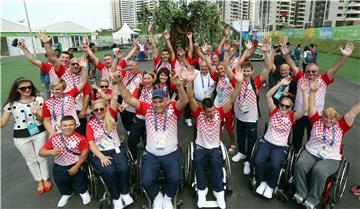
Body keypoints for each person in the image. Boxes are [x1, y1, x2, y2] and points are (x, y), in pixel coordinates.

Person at [115, 68, 191, 209]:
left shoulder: (173, 109)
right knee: (146, 181)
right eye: (154, 101)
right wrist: (119, 82)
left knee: (175, 179)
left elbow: (184, 100)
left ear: (165, 101)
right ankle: (157, 196)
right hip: (151, 154)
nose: (157, 104)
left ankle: (168, 198)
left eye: (160, 101)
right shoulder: (147, 108)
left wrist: (180, 85)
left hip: (171, 153)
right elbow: (129, 98)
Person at [293, 80, 360, 209]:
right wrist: (313, 92)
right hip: (311, 152)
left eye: (332, 118)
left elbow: (353, 112)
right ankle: (301, 193)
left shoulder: (341, 125)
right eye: (326, 117)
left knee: (319, 170)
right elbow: (312, 106)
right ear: (322, 116)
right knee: (300, 164)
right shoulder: (316, 121)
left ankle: (313, 199)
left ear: (336, 118)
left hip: (330, 157)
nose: (328, 120)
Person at [281, 42, 354, 153]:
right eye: (308, 71)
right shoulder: (301, 77)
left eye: (314, 71)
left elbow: (334, 69)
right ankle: (295, 156)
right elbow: (292, 65)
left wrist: (344, 56)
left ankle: (309, 156)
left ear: (318, 72)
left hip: (316, 116)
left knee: (314, 139)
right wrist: (286, 55)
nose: (311, 73)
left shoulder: (323, 79)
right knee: (296, 139)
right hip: (299, 114)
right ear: (305, 72)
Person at [187, 66, 243, 209]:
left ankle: (219, 192)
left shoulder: (219, 111)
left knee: (216, 165)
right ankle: (202, 191)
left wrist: (238, 83)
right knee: (198, 163)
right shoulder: (198, 112)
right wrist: (190, 82)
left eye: (212, 110)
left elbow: (232, 99)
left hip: (214, 147)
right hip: (200, 146)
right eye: (209, 111)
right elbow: (190, 98)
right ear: (203, 110)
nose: (211, 113)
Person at [254, 77, 308, 199]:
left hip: (281, 146)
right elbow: (268, 96)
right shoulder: (273, 111)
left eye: (287, 107)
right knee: (258, 161)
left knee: (274, 165)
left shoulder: (292, 117)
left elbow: (305, 109)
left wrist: (304, 93)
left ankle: (271, 185)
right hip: (266, 142)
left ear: (291, 108)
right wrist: (280, 84)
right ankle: (262, 181)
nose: (283, 108)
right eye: (282, 105)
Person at [1, 78, 52, 195]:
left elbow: (42, 119)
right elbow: (3, 123)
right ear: (18, 90)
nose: (27, 90)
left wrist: (36, 113)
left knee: (42, 157)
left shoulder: (38, 100)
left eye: (29, 87)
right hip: (20, 136)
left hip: (38, 132)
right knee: (31, 160)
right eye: (23, 88)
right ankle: (39, 180)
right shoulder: (12, 103)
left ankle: (45, 178)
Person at [86, 84, 134, 209]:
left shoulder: (111, 115)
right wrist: (101, 157)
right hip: (100, 152)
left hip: (116, 148)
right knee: (109, 171)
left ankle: (124, 192)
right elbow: (91, 144)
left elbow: (113, 97)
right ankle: (116, 196)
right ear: (93, 111)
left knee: (123, 168)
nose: (99, 111)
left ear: (106, 108)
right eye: (96, 110)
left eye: (102, 109)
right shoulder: (90, 124)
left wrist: (117, 82)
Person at [231, 38, 272, 176]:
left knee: (251, 139)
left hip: (251, 118)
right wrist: (247, 52)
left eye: (248, 71)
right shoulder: (236, 80)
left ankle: (248, 160)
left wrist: (266, 53)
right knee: (241, 136)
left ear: (252, 71)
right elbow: (235, 67)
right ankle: (242, 153)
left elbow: (267, 68)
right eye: (244, 70)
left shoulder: (257, 82)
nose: (246, 73)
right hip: (239, 114)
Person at [39, 116, 91, 208]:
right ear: (60, 127)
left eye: (71, 125)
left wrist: (77, 166)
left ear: (75, 126)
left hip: (75, 164)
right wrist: (50, 152)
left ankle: (83, 191)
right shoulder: (54, 138)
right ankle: (67, 193)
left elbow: (85, 154)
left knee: (79, 180)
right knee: (60, 180)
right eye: (65, 125)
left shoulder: (81, 138)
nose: (68, 127)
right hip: (60, 165)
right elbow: (41, 152)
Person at [42, 57, 89, 136]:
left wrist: (84, 68)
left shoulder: (70, 95)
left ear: (63, 89)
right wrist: (51, 131)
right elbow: (46, 120)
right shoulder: (47, 103)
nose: (55, 91)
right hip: (57, 130)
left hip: (74, 128)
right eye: (53, 89)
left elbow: (83, 82)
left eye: (58, 89)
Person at [127, 71, 155, 160]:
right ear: (142, 80)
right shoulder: (139, 89)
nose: (147, 80)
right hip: (138, 119)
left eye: (149, 78)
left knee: (148, 142)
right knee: (131, 140)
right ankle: (134, 159)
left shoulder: (157, 90)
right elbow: (131, 99)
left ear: (153, 79)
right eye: (145, 78)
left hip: (151, 120)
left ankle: (148, 159)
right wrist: (124, 106)